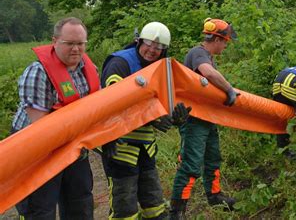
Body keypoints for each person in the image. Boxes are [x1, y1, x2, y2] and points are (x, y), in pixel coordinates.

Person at [100, 21, 191, 220]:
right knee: (125, 206)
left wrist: (175, 118)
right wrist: (151, 118)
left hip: (145, 146)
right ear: (138, 41)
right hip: (119, 145)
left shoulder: (161, 68)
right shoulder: (120, 63)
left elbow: (164, 103)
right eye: (149, 44)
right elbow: (113, 104)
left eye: (158, 47)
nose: (152, 50)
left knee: (154, 203)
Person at [11, 17, 99, 219]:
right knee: (41, 208)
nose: (76, 49)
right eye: (69, 44)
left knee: (80, 201)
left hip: (71, 143)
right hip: (36, 147)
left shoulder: (89, 70)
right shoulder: (37, 72)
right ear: (55, 41)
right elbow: (41, 128)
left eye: (80, 44)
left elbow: (96, 110)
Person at [169, 18, 238, 219]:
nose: (226, 45)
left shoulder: (206, 55)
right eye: (225, 41)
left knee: (213, 158)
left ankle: (215, 196)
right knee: (191, 164)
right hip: (194, 119)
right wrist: (229, 90)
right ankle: (177, 212)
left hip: (206, 118)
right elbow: (208, 73)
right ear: (216, 39)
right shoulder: (198, 53)